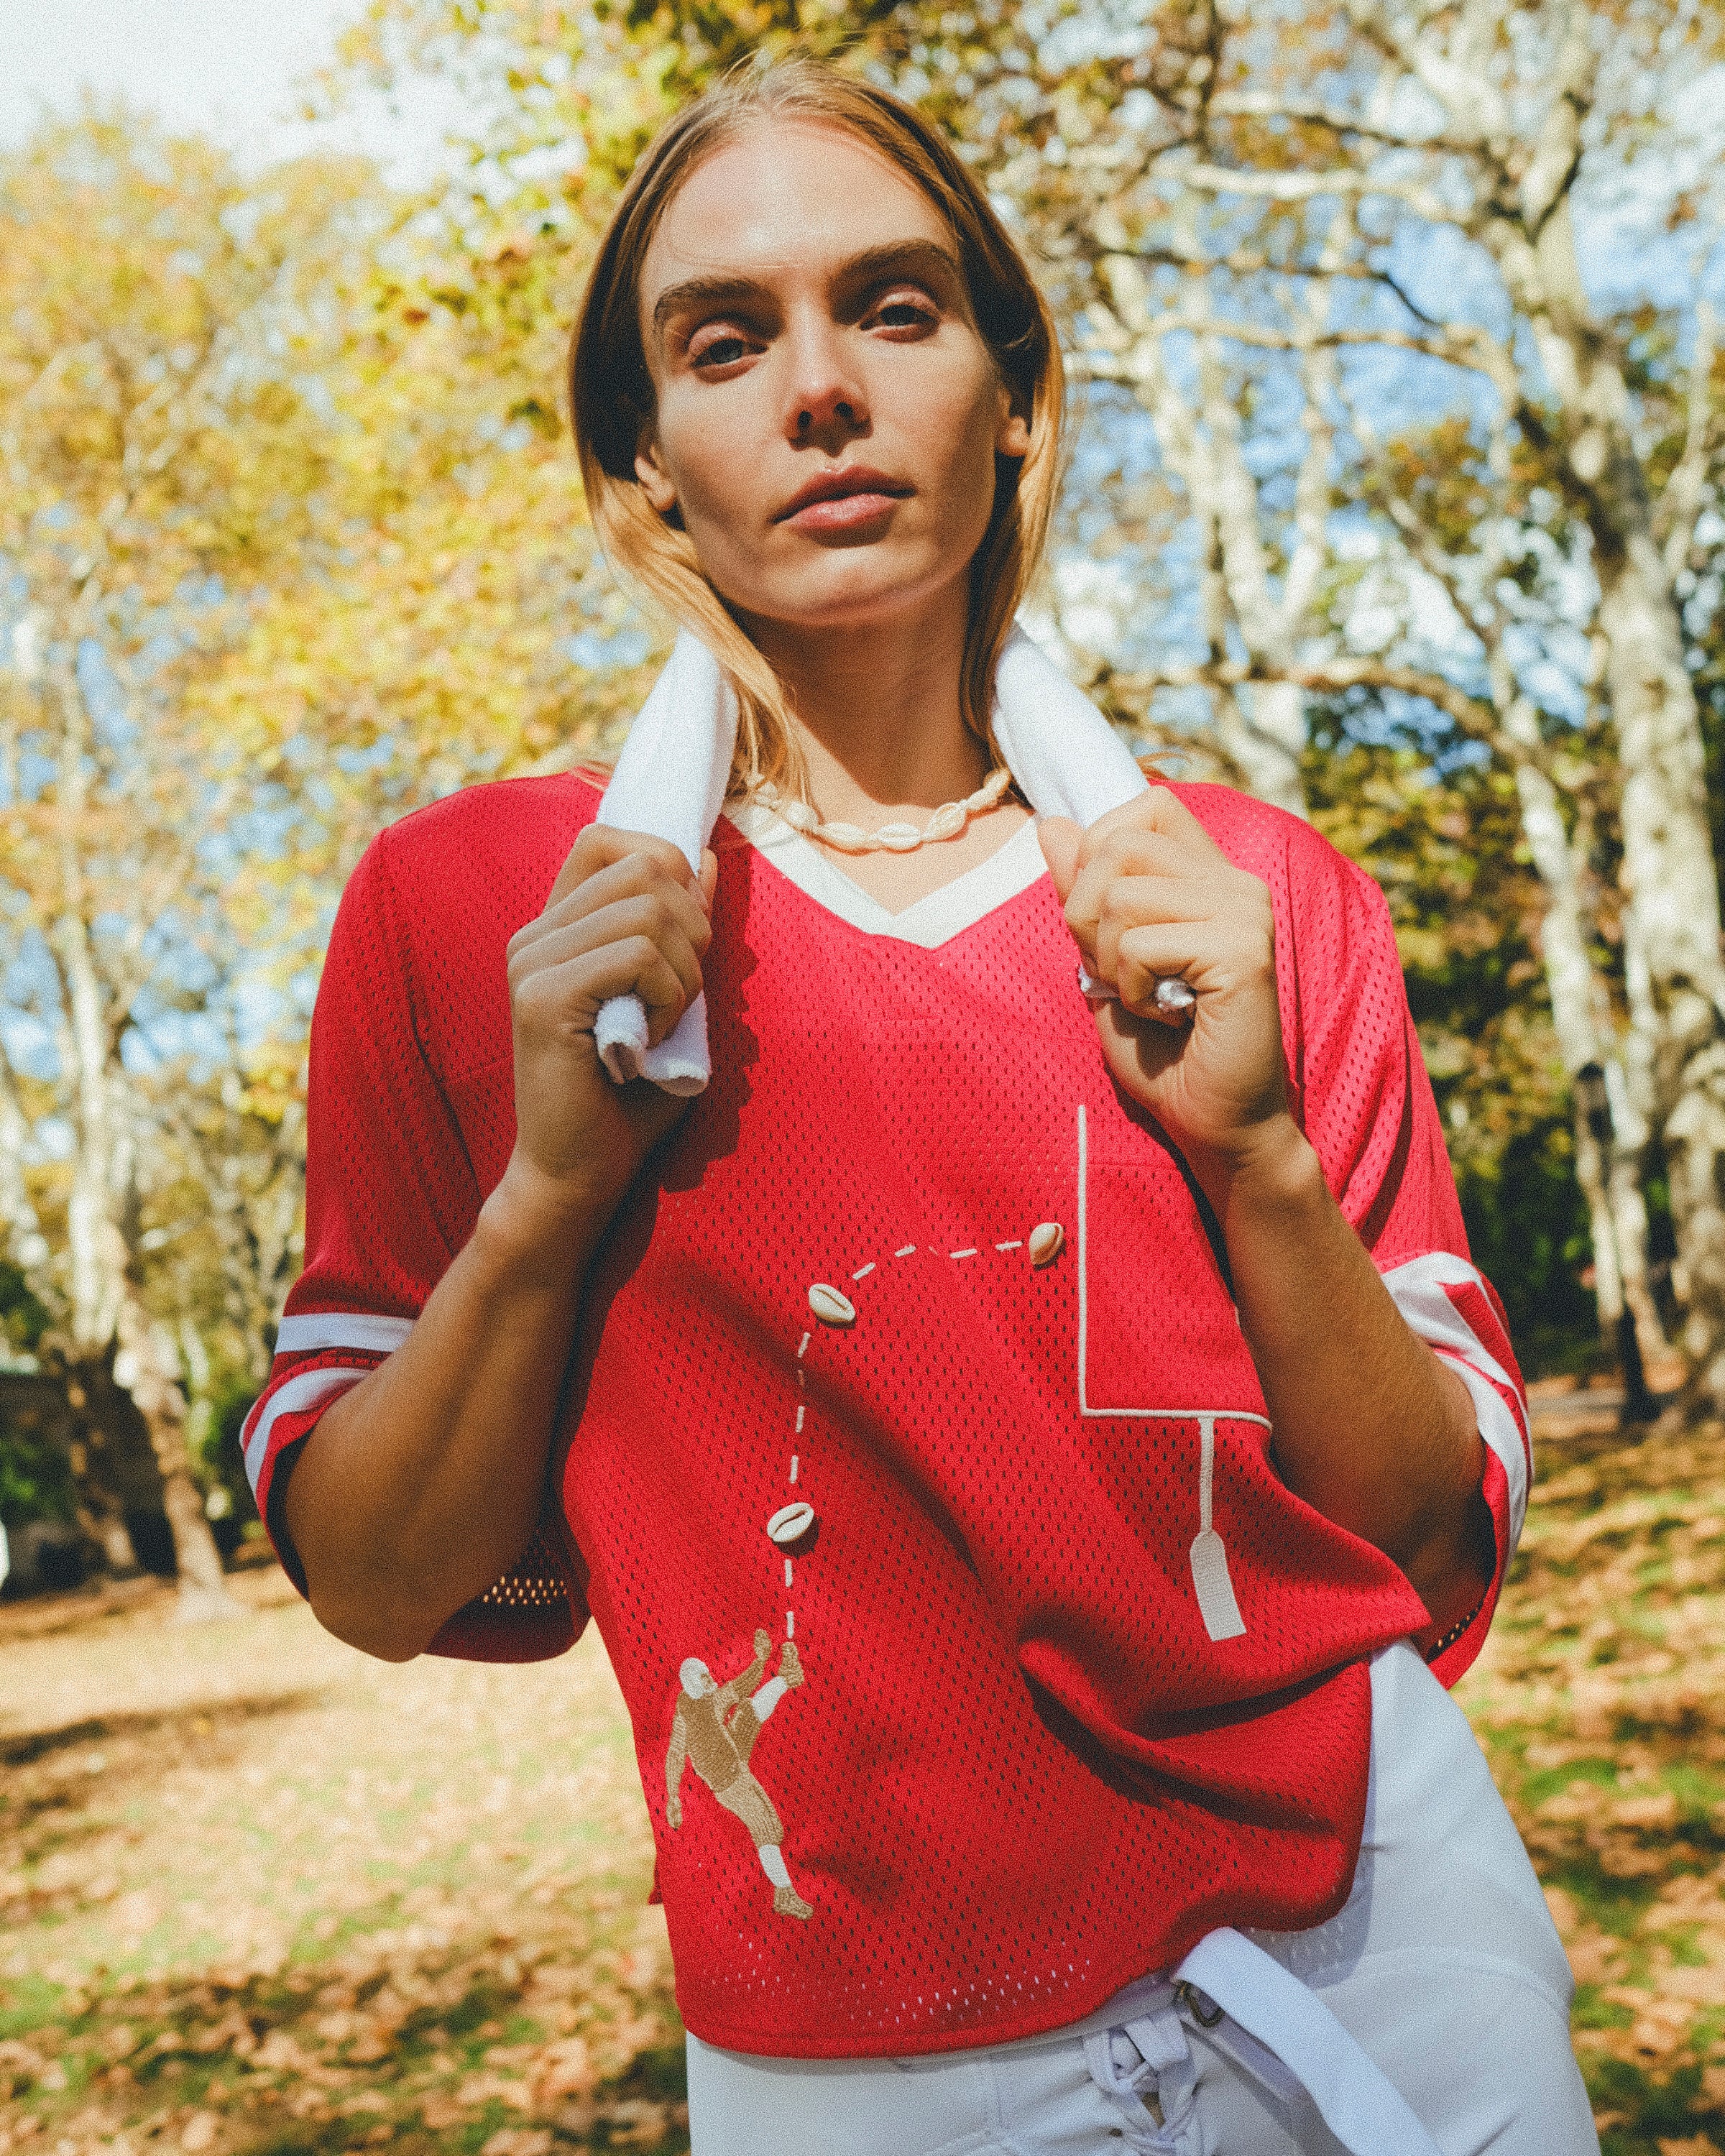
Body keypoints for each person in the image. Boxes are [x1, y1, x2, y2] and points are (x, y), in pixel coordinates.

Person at [239, 57, 1596, 2156]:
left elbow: (1427, 1550)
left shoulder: (1255, 897)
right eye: (724, 337)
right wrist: (547, 1196)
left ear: (1014, 389)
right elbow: (379, 1578)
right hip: (852, 2051)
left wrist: (1255, 1163)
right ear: (642, 459)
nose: (817, 389)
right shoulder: (477, 920)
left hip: (1377, 1954)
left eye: (892, 306)